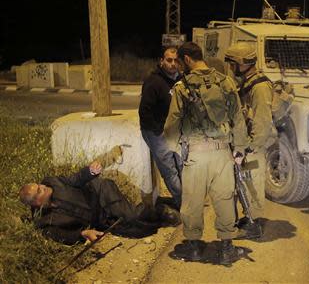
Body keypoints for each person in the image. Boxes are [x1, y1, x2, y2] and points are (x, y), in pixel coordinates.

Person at [164, 42, 248, 266]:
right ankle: (226, 248)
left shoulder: (182, 87)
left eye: (180, 62)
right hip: (222, 154)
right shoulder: (225, 81)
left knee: (192, 201)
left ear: (187, 60)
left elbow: (172, 123)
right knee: (224, 199)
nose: (180, 66)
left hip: (196, 154)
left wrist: (175, 149)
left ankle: (193, 248)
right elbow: (238, 118)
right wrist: (238, 150)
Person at [19, 159, 179, 245]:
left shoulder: (53, 182)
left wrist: (90, 172)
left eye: (39, 185)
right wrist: (83, 234)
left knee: (130, 215)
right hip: (100, 219)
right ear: (36, 203)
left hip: (100, 193)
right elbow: (63, 236)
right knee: (136, 232)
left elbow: (76, 179)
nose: (43, 186)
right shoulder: (44, 223)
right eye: (39, 190)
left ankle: (161, 211)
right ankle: (158, 212)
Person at [224, 42, 277, 239]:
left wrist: (250, 149)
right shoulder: (248, 82)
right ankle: (249, 218)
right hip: (247, 145)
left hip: (254, 148)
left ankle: (254, 225)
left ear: (242, 63)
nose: (231, 68)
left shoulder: (260, 87)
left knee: (252, 184)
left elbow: (262, 121)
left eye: (233, 64)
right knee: (244, 183)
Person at [139, 46, 182, 209]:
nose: (172, 64)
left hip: (176, 132)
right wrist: (159, 130)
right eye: (169, 60)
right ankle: (183, 203)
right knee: (169, 170)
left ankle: (187, 200)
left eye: (175, 60)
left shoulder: (181, 80)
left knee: (183, 166)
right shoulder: (153, 82)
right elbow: (144, 112)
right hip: (156, 132)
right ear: (161, 61)